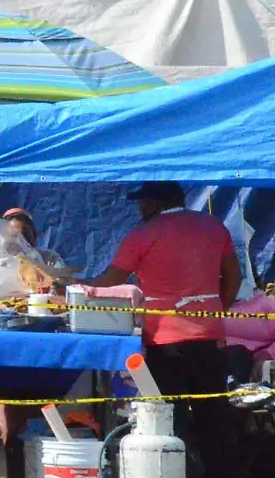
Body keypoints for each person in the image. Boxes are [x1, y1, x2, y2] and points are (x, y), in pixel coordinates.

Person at [76, 182, 241, 475]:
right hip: (210, 339)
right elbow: (234, 279)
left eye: (143, 203)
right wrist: (214, 313)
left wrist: (70, 286)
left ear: (154, 204)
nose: (140, 209)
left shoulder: (142, 235)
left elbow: (111, 281)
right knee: (215, 420)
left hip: (165, 343)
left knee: (168, 422)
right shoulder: (215, 227)